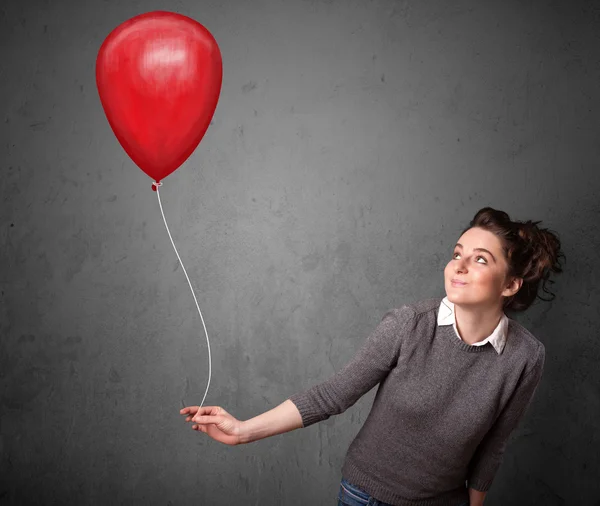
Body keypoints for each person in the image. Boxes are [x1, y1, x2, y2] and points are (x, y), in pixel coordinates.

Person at [180, 207, 565, 506]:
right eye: (456, 253)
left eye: (480, 259)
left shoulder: (526, 357)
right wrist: (244, 430)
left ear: (511, 284)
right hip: (367, 496)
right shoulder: (409, 324)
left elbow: (492, 446)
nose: (458, 266)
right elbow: (333, 396)